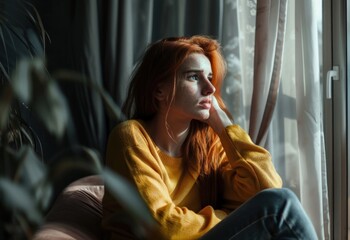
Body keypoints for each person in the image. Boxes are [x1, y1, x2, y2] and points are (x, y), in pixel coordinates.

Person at [102, 35, 318, 240]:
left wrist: (223, 125)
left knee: (280, 202)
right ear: (160, 91)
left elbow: (266, 187)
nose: (210, 88)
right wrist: (228, 217)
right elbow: (165, 228)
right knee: (281, 206)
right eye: (194, 77)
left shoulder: (207, 144)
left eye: (210, 78)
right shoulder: (130, 136)